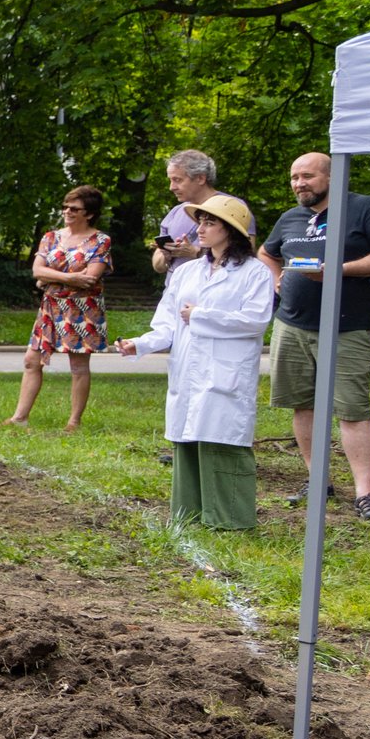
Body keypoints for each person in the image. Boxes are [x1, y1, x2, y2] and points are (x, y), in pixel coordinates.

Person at [114, 195, 273, 530]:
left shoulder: (254, 272)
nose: (199, 229)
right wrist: (139, 344)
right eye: (199, 221)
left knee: (223, 440)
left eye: (208, 222)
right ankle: (189, 516)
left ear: (231, 229)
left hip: (226, 370)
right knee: (187, 441)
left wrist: (201, 315)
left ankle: (231, 520)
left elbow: (256, 320)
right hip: (188, 369)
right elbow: (168, 323)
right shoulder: (186, 272)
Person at [260, 151, 370, 520]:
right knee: (303, 403)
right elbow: (267, 254)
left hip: (347, 326)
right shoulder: (290, 218)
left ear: (332, 176)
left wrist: (338, 271)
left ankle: (366, 492)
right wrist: (275, 280)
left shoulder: (364, 208)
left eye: (308, 176)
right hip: (292, 324)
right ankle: (319, 480)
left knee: (352, 409)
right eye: (294, 177)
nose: (299, 184)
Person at [1, 184, 112, 432]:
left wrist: (49, 277)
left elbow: (91, 277)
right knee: (32, 360)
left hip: (83, 309)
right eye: (65, 207)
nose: (67, 212)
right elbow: (37, 271)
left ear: (90, 214)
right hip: (50, 307)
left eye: (74, 208)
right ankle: (19, 417)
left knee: (79, 365)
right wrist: (71, 278)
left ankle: (74, 421)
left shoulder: (101, 240)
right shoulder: (51, 237)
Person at [152, 151, 223, 275]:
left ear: (200, 178)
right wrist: (166, 255)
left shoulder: (231, 208)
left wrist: (196, 253)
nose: (171, 187)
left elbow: (243, 258)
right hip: (173, 292)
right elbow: (158, 266)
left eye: (177, 180)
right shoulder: (174, 212)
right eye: (170, 180)